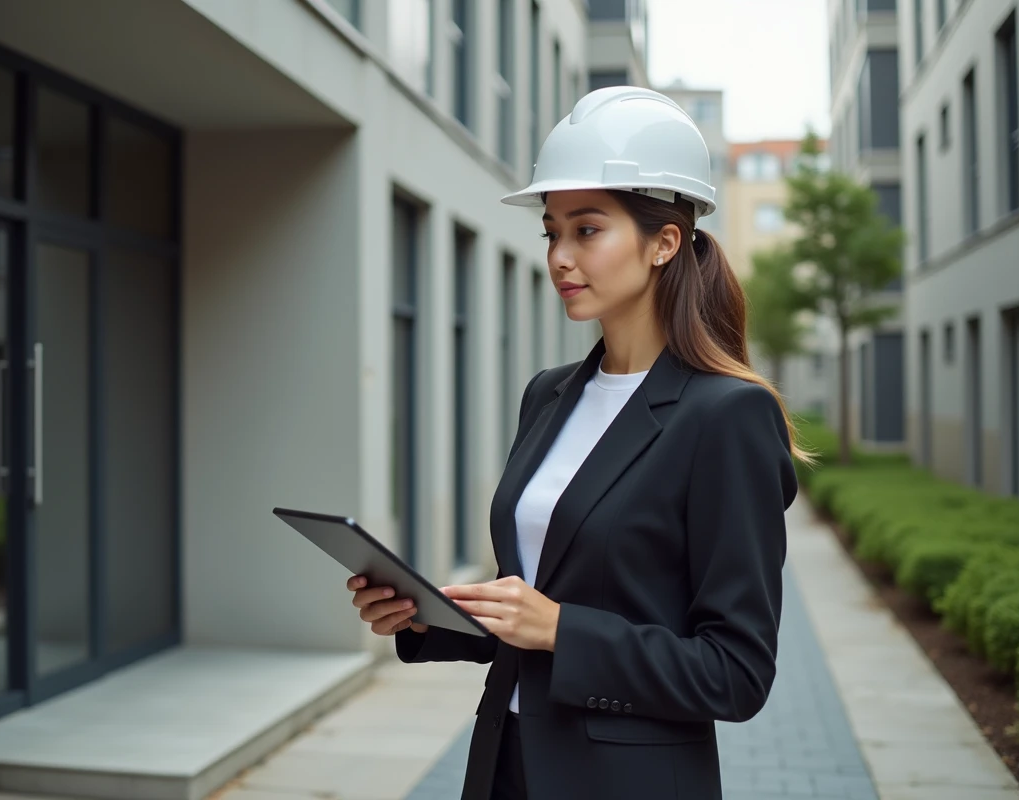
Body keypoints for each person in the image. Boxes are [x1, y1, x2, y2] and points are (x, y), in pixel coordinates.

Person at [346, 86, 807, 800]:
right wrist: (428, 620)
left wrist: (564, 629)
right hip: (509, 764)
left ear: (664, 242)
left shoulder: (727, 416)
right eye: (551, 231)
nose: (560, 255)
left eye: (586, 230)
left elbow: (736, 674)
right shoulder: (549, 394)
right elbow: (531, 609)